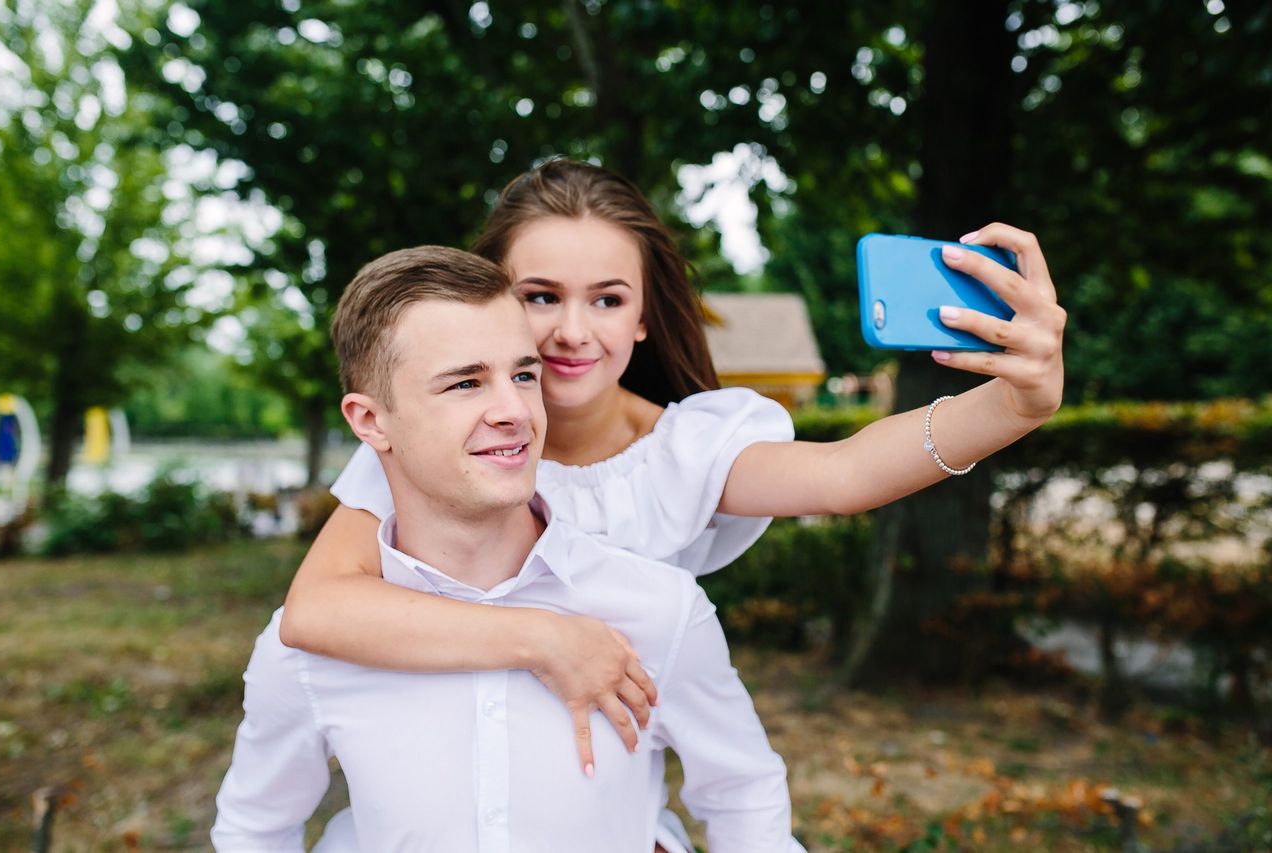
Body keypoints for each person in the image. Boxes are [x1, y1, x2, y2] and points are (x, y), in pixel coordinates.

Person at [280, 160, 1067, 850]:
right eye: (541, 295)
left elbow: (844, 474)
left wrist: (1017, 405)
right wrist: (542, 638)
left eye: (609, 299)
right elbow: (316, 610)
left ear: (645, 315)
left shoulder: (683, 453)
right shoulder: (427, 447)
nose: (571, 331)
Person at [212, 246, 803, 852]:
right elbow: (254, 829)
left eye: (523, 375)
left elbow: (744, 797)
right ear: (370, 422)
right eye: (466, 383)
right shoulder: (309, 652)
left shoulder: (657, 609)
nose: (515, 411)